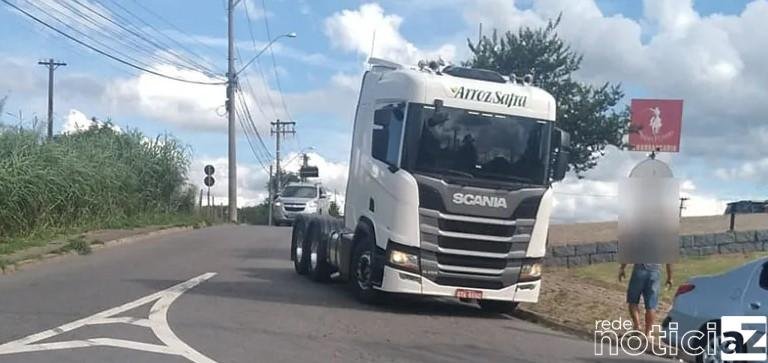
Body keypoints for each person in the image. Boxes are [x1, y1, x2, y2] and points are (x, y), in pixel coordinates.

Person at [618, 263, 673, 337]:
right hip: (655, 272)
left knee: (633, 301)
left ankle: (637, 326)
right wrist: (670, 277)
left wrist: (622, 268)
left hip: (640, 268)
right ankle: (648, 334)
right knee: (651, 306)